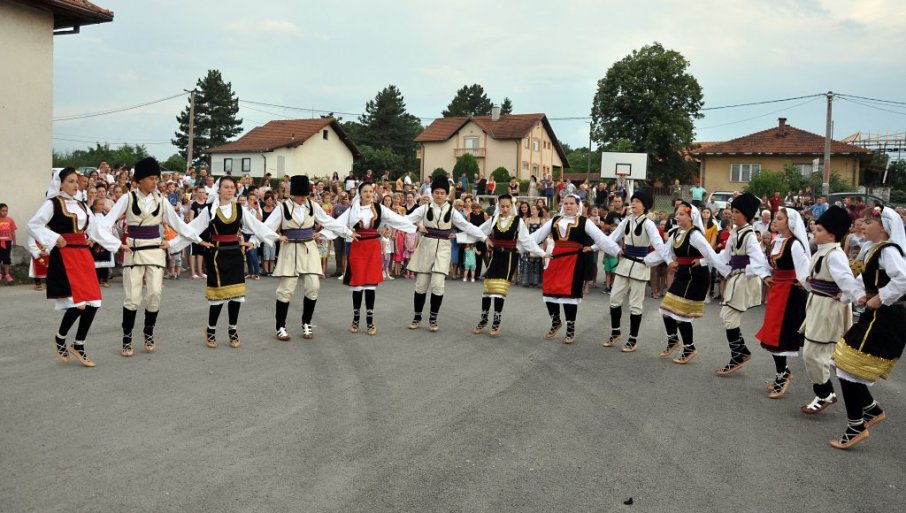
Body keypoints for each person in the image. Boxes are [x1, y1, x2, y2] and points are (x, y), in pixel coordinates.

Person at [101, 157, 201, 358]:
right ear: (140, 180)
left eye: (157, 178)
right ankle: (127, 337)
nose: (155, 182)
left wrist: (176, 243)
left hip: (155, 251)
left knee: (155, 293)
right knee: (132, 297)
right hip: (134, 251)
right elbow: (104, 224)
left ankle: (148, 331)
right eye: (151, 178)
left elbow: (180, 226)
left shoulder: (162, 201)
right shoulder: (127, 198)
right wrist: (116, 244)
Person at [171, 175, 280, 349]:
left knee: (236, 295)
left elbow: (257, 227)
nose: (229, 190)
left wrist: (262, 239)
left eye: (232, 188)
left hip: (235, 253)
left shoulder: (239, 209)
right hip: (216, 254)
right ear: (219, 190)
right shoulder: (209, 210)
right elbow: (191, 229)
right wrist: (172, 244)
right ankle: (211, 329)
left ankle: (233, 329)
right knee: (218, 296)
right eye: (226, 187)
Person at [828, 205, 906, 449]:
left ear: (884, 228)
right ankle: (870, 410)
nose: (863, 226)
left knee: (847, 367)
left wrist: (880, 297)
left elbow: (903, 278)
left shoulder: (888, 250)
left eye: (870, 222)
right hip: (875, 316)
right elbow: (865, 280)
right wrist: (851, 295)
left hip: (887, 318)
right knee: (841, 363)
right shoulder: (873, 250)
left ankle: (857, 425)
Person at [27, 167, 122, 367]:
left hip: (83, 255)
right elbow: (33, 225)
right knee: (79, 304)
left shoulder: (81, 205)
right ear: (60, 183)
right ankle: (60, 337)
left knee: (94, 302)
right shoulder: (52, 204)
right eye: (70, 181)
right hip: (65, 255)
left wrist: (118, 244)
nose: (75, 185)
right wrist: (54, 237)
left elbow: (96, 230)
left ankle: (79, 344)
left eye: (76, 182)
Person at [263, 176, 354, 341]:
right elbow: (266, 227)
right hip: (290, 249)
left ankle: (306, 323)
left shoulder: (313, 206)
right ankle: (280, 327)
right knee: (285, 289)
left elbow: (329, 221)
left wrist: (348, 232)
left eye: (306, 194)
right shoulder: (282, 207)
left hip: (309, 249)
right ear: (293, 193)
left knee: (313, 286)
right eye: (300, 194)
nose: (303, 197)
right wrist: (276, 237)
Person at [530, 194, 620, 344]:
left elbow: (601, 238)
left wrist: (617, 251)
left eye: (572, 203)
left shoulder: (584, 222)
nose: (568, 206)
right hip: (555, 260)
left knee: (569, 295)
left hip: (574, 261)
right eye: (565, 203)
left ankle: (570, 329)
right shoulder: (555, 220)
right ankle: (556, 321)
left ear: (578, 205)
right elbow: (535, 237)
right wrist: (533, 249)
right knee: (549, 290)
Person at [644, 202, 726, 363]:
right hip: (683, 274)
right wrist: (645, 260)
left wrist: (703, 262)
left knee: (681, 314)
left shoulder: (695, 235)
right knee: (666, 310)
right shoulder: (677, 233)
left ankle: (689, 348)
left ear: (691, 217)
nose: (677, 216)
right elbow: (665, 252)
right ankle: (673, 340)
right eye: (677, 213)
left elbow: (710, 253)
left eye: (682, 214)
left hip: (696, 277)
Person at [800, 206, 863, 415]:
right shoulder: (822, 252)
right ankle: (830, 393)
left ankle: (825, 393)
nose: (814, 232)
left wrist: (851, 297)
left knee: (813, 353)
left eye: (819, 230)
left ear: (832, 235)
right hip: (817, 305)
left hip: (827, 308)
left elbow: (846, 280)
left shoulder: (835, 255)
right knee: (820, 353)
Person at [405, 176, 488, 332]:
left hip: (443, 248)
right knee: (421, 285)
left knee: (438, 285)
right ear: (432, 193)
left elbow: (466, 226)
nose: (439, 195)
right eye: (436, 192)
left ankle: (433, 319)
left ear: (446, 194)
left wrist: (484, 237)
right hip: (426, 247)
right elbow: (406, 220)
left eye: (442, 193)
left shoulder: (452, 210)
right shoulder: (424, 208)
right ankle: (417, 317)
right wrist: (417, 227)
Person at [336, 182, 415, 336]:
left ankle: (370, 321)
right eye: (365, 191)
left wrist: (414, 227)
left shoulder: (379, 208)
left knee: (370, 285)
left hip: (372, 247)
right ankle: (356, 319)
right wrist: (347, 233)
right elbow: (337, 224)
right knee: (358, 284)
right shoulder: (353, 209)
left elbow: (396, 219)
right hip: (358, 247)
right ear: (360, 194)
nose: (368, 194)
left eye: (370, 191)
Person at [754, 208, 811, 398]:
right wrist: (765, 276)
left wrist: (804, 282)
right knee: (772, 334)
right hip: (777, 290)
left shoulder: (794, 244)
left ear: (789, 222)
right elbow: (765, 263)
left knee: (780, 335)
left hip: (790, 294)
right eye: (775, 218)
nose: (775, 221)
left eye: (779, 218)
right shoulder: (776, 241)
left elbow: (805, 268)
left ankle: (782, 374)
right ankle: (783, 372)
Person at [470, 194, 545, 336]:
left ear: (512, 206)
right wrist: (482, 238)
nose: (505, 209)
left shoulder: (518, 221)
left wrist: (542, 253)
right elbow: (479, 231)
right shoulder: (494, 219)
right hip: (495, 256)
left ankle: (496, 321)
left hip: (510, 257)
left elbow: (526, 241)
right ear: (499, 206)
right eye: (502, 206)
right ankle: (484, 318)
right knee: (487, 289)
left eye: (507, 206)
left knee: (499, 290)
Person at [714, 192, 771, 376]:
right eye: (733, 211)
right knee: (726, 317)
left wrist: (744, 270)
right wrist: (705, 259)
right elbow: (724, 256)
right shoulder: (735, 233)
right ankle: (742, 352)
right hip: (736, 280)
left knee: (729, 318)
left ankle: (737, 357)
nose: (733, 214)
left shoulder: (750, 236)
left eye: (737, 211)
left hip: (745, 281)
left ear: (746, 215)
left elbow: (759, 262)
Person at [603, 189, 665, 352]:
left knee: (635, 305)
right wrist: (598, 247)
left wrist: (651, 260)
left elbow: (659, 246)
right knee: (614, 299)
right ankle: (615, 332)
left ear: (645, 206)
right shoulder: (626, 221)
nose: (633, 204)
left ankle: (633, 339)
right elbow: (611, 238)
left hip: (640, 266)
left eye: (637, 201)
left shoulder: (649, 224)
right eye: (633, 201)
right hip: (624, 264)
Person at [0, 203, 16, 283]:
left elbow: (12, 232)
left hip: (8, 242)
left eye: (6, 211)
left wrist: (14, 241)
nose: (5, 212)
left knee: (7, 258)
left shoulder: (10, 220)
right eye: (3, 211)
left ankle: (7, 274)